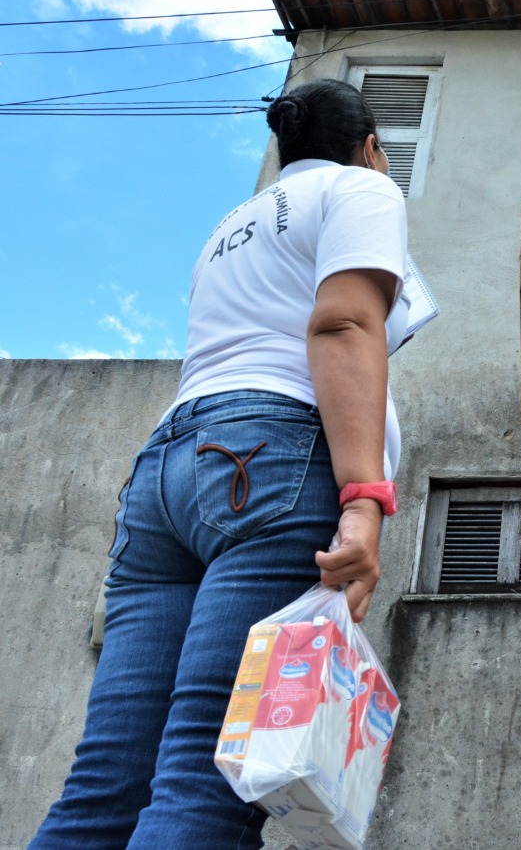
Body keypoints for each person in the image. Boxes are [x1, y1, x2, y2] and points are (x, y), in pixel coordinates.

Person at [30, 78, 409, 850]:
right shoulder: (364, 190)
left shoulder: (229, 226)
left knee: (104, 788)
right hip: (270, 464)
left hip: (164, 475)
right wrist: (365, 496)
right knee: (206, 779)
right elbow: (343, 323)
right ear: (370, 146)